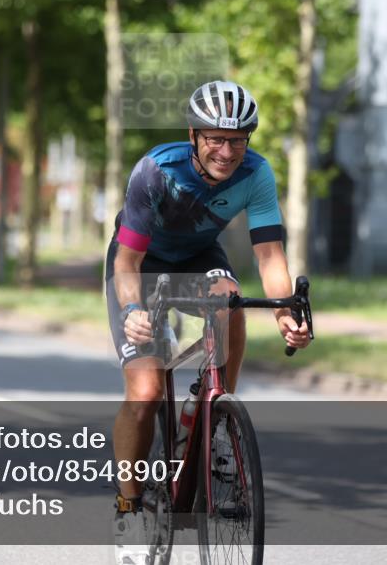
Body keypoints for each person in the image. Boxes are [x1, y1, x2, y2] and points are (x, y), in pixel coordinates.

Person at [108, 80, 310, 563]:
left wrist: (285, 314)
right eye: (215, 139)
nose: (226, 150)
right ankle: (129, 506)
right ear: (194, 135)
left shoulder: (257, 174)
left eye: (237, 140)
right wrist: (134, 311)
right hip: (141, 263)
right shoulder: (156, 170)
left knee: (232, 297)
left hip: (200, 256)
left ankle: (217, 414)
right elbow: (126, 264)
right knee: (145, 395)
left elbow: (270, 254)